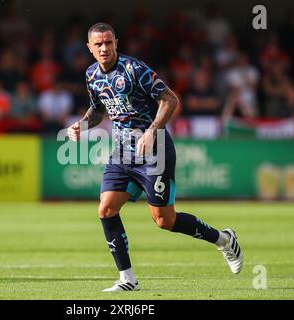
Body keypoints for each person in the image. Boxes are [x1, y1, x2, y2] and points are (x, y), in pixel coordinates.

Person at [66, 23, 243, 292]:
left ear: (116, 42)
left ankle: (223, 239)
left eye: (108, 42)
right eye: (98, 44)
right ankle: (128, 279)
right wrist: (81, 124)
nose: (104, 48)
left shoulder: (134, 69)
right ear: (90, 48)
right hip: (123, 151)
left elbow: (170, 100)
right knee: (106, 209)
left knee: (164, 221)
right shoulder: (91, 75)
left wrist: (151, 132)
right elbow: (98, 110)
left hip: (154, 150)